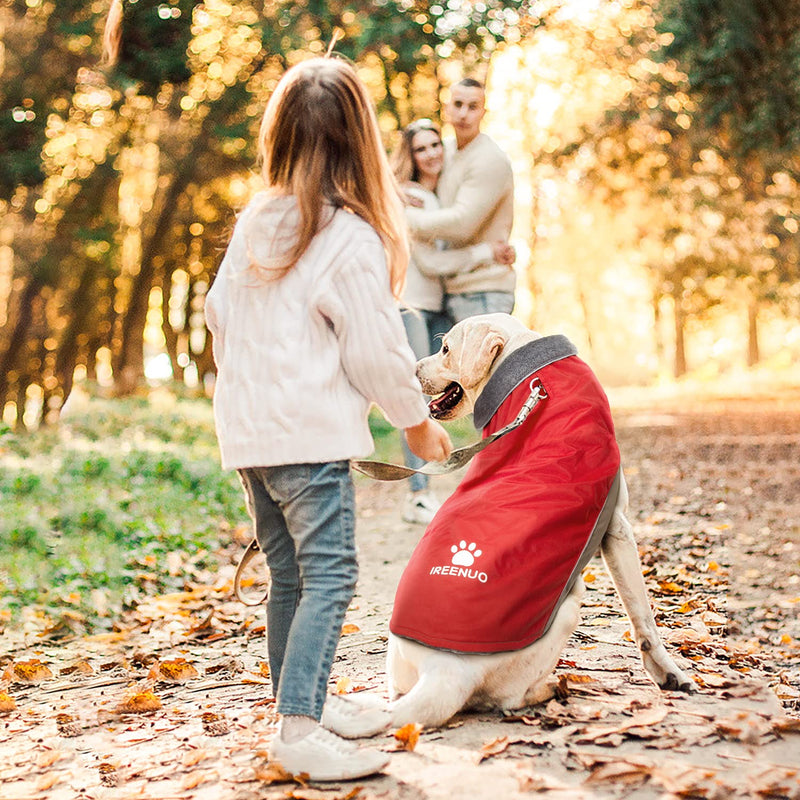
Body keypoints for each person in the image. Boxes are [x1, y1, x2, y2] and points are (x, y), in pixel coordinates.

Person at [204, 57, 452, 782]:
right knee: (331, 575)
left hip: (250, 435)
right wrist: (415, 424)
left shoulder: (256, 220)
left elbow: (220, 319)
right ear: (361, 141)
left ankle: (300, 700)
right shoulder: (349, 236)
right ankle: (299, 729)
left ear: (279, 136)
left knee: (290, 573)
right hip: (305, 438)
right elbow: (378, 351)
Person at [391, 118, 514, 524]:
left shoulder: (435, 196)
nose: (431, 154)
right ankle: (418, 492)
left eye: (434, 145)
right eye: (421, 149)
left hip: (437, 302)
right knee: (415, 393)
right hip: (411, 304)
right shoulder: (410, 198)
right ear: (409, 156)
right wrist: (486, 254)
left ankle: (471, 481)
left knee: (450, 388)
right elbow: (430, 261)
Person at [404, 78, 516, 323]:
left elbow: (462, 224)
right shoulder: (445, 150)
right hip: (451, 290)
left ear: (483, 112)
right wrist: (394, 191)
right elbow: (412, 173)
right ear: (447, 108)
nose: (464, 114)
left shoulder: (490, 159)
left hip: (484, 291)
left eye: (473, 107)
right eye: (458, 104)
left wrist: (406, 219)